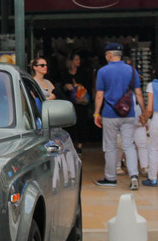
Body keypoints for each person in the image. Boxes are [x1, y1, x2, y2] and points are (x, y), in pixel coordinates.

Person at [93, 43, 147, 189]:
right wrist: (143, 113)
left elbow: (99, 95)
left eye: (106, 55)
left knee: (110, 146)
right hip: (128, 113)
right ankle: (134, 175)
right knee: (129, 145)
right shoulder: (131, 70)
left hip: (110, 114)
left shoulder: (103, 71)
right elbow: (138, 93)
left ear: (109, 55)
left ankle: (110, 178)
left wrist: (96, 113)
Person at [61, 52, 93, 154]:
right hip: (70, 103)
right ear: (71, 61)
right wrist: (66, 86)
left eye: (79, 60)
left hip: (81, 102)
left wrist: (82, 93)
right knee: (70, 123)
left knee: (81, 122)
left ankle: (79, 144)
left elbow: (88, 86)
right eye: (76, 60)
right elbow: (61, 87)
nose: (78, 62)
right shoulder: (65, 73)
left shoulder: (83, 73)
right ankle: (72, 143)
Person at [143, 75, 158, 187]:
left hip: (157, 118)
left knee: (154, 148)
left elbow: (149, 108)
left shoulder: (152, 85)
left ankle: (152, 178)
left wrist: (144, 119)